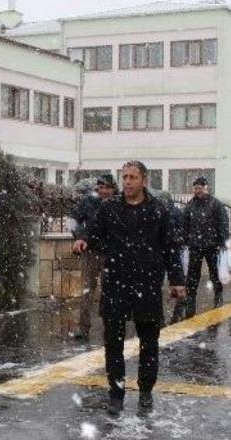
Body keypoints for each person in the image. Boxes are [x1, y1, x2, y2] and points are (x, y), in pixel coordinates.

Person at [73, 161, 185, 416]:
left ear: (144, 180)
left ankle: (145, 391)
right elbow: (93, 232)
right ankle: (116, 393)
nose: (128, 182)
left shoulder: (157, 210)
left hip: (147, 285)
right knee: (113, 343)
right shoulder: (110, 208)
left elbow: (170, 247)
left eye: (133, 177)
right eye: (125, 177)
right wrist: (83, 239)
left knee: (149, 342)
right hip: (116, 284)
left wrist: (177, 280)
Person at [68, 173, 117, 340]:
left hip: (113, 254)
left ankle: (111, 327)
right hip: (92, 252)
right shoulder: (88, 202)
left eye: (108, 188)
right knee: (87, 291)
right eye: (101, 187)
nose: (104, 191)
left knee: (110, 291)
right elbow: (73, 219)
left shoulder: (119, 203)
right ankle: (83, 328)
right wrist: (79, 237)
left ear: (114, 189)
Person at [182, 176, 229, 318]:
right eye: (195, 188)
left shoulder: (215, 204)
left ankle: (218, 294)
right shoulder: (190, 205)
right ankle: (190, 298)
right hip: (195, 246)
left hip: (212, 245)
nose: (198, 191)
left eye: (200, 188)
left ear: (205, 188)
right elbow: (185, 224)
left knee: (214, 272)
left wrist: (223, 241)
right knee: (192, 274)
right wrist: (185, 240)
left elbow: (223, 222)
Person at [153, 189, 187, 324]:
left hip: (170, 250)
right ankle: (167, 312)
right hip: (166, 251)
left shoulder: (173, 212)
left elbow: (182, 231)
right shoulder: (162, 212)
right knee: (169, 279)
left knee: (174, 279)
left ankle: (179, 302)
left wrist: (176, 239)